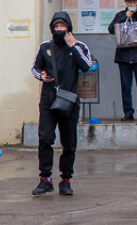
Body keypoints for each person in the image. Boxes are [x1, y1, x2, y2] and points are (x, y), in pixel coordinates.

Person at [30, 11, 93, 196]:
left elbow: (86, 65)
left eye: (62, 27)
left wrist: (73, 46)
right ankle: (45, 179)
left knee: (69, 143)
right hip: (48, 100)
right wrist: (41, 76)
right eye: (56, 27)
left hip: (69, 101)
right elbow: (35, 68)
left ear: (69, 28)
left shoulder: (79, 46)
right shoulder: (45, 47)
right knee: (46, 139)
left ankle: (65, 180)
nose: (59, 30)